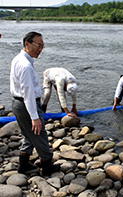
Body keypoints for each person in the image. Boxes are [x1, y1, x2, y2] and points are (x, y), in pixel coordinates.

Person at [10, 31, 60, 176]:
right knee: (40, 135)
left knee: (28, 135)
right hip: (26, 105)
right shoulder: (25, 65)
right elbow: (28, 94)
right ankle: (47, 166)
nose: (40, 49)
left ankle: (23, 165)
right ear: (27, 44)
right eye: (38, 45)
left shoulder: (18, 59)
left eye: (42, 46)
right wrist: (34, 117)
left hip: (18, 103)